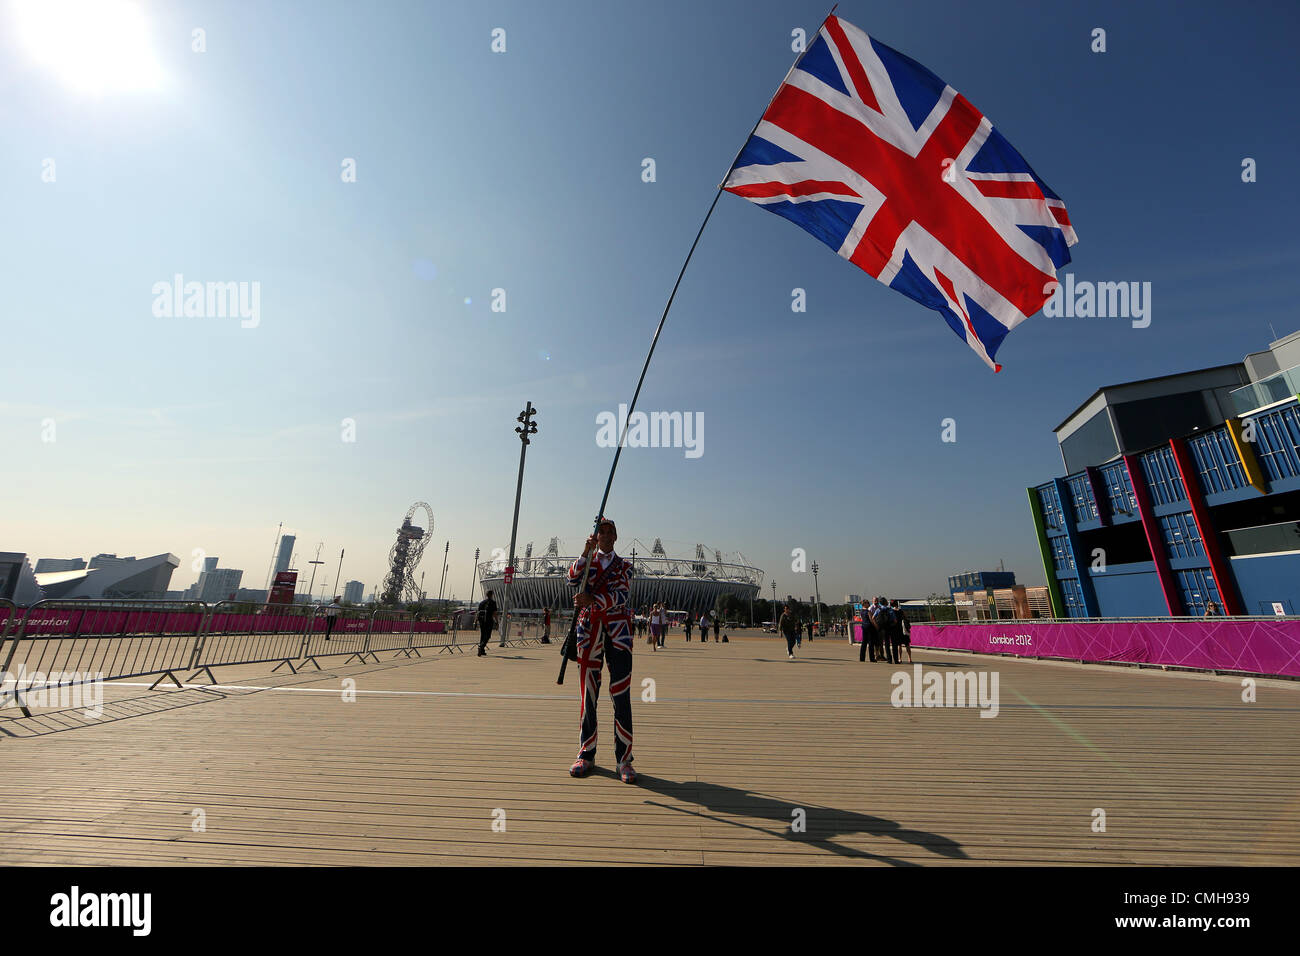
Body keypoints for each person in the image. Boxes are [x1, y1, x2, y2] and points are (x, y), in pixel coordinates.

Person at [567, 517, 637, 784]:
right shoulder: (587, 563)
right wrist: (584, 553)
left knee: (621, 695)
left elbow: (621, 595)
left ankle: (624, 759)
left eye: (610, 533)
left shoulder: (625, 567)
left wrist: (592, 599)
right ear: (595, 537)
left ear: (616, 537)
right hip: (588, 633)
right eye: (601, 532)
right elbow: (572, 579)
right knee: (589, 695)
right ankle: (586, 752)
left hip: (618, 634)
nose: (606, 536)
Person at [476, 589, 499, 656]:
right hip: (488, 620)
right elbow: (494, 613)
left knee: (482, 634)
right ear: (492, 595)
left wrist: (476, 621)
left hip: (481, 620)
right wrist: (497, 622)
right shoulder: (493, 602)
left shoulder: (481, 602)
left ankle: (482, 650)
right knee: (488, 635)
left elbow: (478, 612)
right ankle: (481, 647)